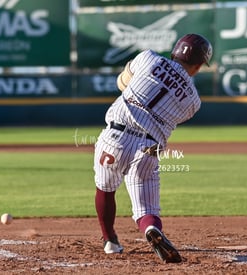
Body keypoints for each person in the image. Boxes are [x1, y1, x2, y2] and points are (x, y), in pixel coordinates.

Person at [93, 33, 212, 263]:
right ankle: (150, 229)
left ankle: (110, 241)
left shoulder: (148, 58)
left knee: (105, 188)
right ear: (198, 66)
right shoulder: (194, 102)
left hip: (116, 134)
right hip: (149, 147)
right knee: (145, 207)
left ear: (175, 50)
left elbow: (122, 82)